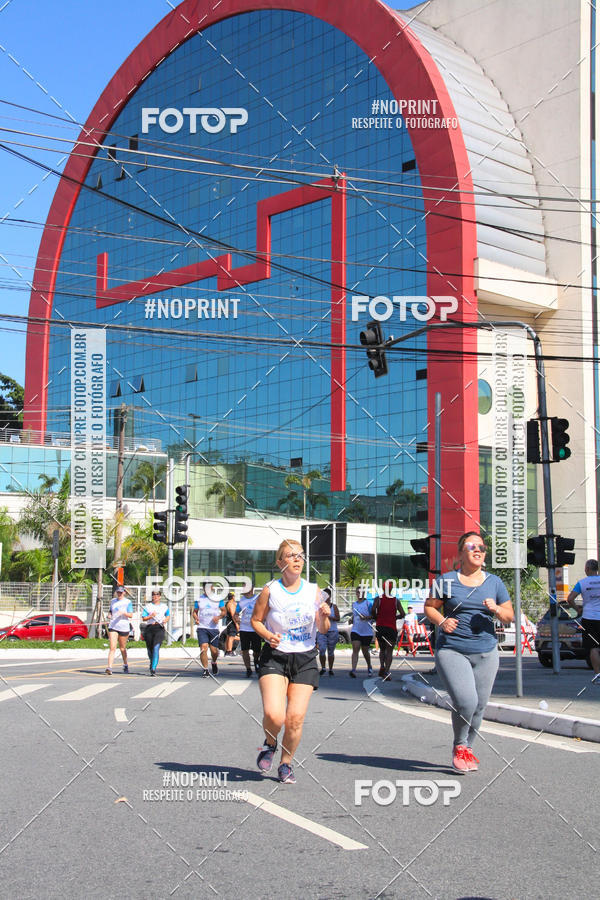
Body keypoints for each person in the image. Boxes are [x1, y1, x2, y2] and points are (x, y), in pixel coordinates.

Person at [424, 532, 513, 773]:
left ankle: (467, 748)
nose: (478, 550)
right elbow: (430, 608)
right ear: (461, 552)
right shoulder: (446, 580)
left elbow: (509, 615)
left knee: (480, 705)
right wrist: (442, 621)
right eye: (472, 546)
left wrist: (495, 609)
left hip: (486, 652)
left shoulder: (495, 583)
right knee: (466, 701)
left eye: (482, 547)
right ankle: (459, 744)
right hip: (452, 649)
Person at [251, 539, 330, 784]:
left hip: (305, 658)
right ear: (279, 562)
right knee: (275, 716)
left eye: (300, 555)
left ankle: (286, 764)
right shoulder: (270, 590)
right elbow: (256, 621)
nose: (297, 559)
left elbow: (323, 629)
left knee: (295, 718)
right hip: (275, 656)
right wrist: (268, 635)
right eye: (290, 555)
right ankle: (270, 742)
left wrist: (324, 616)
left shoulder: (314, 591)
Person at [566, 559, 600, 682]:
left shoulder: (582, 583)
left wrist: (577, 609)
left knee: (593, 648)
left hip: (589, 618)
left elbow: (570, 599)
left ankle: (598, 675)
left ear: (587, 569)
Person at [371, 581, 405, 680]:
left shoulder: (378, 599)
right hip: (391, 628)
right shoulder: (395, 600)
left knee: (382, 649)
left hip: (381, 627)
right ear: (391, 589)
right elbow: (403, 613)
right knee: (389, 651)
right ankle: (386, 671)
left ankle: (382, 665)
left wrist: (376, 617)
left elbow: (373, 610)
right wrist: (395, 617)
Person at [194, 582, 225, 677]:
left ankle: (214, 662)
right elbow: (194, 612)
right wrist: (196, 618)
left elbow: (224, 611)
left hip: (213, 628)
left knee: (214, 651)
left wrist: (218, 617)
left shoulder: (218, 599)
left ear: (212, 588)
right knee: (203, 648)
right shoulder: (199, 599)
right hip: (202, 628)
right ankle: (205, 669)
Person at [142, 589, 170, 676]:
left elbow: (168, 615)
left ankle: (153, 668)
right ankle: (152, 662)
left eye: (157, 595)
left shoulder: (164, 606)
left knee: (156, 648)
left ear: (160, 596)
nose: (155, 597)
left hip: (159, 628)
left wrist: (165, 620)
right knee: (150, 649)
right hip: (150, 628)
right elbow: (143, 618)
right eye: (154, 595)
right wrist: (150, 616)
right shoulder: (148, 606)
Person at [105, 585, 133, 675]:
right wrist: (109, 615)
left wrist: (123, 613)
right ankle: (109, 667)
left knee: (122, 648)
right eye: (118, 592)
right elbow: (110, 611)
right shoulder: (113, 601)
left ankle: (125, 664)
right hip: (113, 626)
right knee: (112, 647)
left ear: (124, 592)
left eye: (121, 592)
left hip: (123, 627)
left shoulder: (128, 602)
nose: (119, 594)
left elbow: (131, 615)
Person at [349, 586, 374, 678]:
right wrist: (351, 620)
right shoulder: (354, 604)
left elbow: (374, 616)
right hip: (356, 630)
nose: (359, 594)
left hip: (366, 631)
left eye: (361, 592)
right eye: (358, 592)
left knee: (365, 651)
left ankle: (369, 666)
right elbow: (354, 615)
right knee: (355, 648)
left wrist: (366, 617)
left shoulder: (368, 603)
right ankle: (353, 670)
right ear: (356, 593)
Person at [239, 585, 262, 677]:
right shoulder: (241, 600)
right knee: (245, 650)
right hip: (244, 628)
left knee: (257, 650)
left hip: (255, 628)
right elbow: (236, 612)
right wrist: (236, 617)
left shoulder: (258, 598)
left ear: (252, 589)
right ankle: (248, 669)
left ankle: (256, 661)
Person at [317, 587, 339, 676]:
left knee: (331, 651)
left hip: (332, 631)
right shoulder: (320, 606)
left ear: (329, 596)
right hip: (322, 631)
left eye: (326, 595)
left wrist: (329, 617)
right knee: (322, 649)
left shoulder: (334, 606)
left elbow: (338, 618)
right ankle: (323, 667)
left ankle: (330, 669)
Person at [223, 591, 241, 656]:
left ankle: (227, 650)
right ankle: (229, 651)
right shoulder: (231, 604)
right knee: (231, 637)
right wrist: (236, 624)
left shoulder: (229, 603)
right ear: (233, 597)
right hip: (232, 622)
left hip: (229, 621)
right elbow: (233, 615)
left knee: (228, 636)